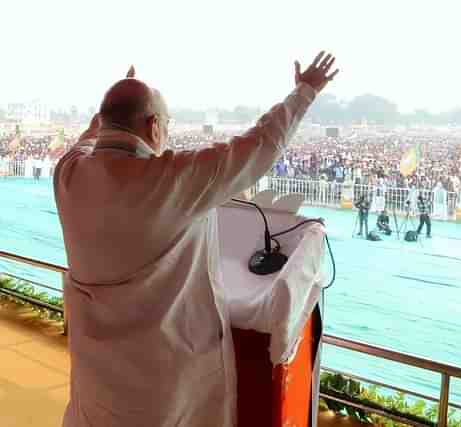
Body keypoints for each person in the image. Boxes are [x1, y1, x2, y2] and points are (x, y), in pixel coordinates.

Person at [53, 52, 338, 427]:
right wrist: (305, 90)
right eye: (166, 123)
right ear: (154, 125)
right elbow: (260, 145)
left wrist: (109, 112)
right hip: (160, 393)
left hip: (95, 385)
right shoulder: (170, 180)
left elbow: (88, 140)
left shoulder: (68, 174)